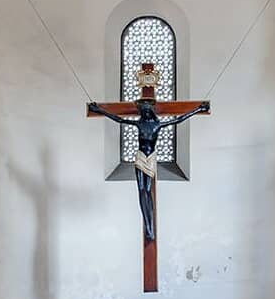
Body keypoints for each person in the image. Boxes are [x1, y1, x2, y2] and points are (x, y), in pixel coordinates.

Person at [87, 98, 209, 240]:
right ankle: (147, 224)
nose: (144, 113)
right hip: (140, 157)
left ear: (150, 111)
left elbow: (178, 120)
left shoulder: (157, 124)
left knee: (148, 190)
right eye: (143, 111)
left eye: (146, 110)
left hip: (150, 158)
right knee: (141, 189)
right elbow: (119, 120)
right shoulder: (139, 123)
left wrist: (198, 110)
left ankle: (150, 224)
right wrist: (99, 110)